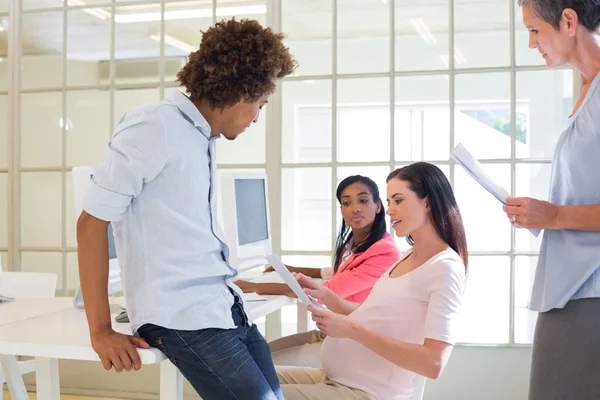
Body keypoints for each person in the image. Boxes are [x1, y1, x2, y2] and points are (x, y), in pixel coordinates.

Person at [76, 18, 296, 400]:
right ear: (240, 91)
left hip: (223, 307)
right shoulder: (154, 127)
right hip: (182, 316)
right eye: (259, 105)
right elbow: (91, 224)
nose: (258, 118)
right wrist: (101, 330)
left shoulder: (201, 137)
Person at [276, 162, 468, 400]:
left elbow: (433, 363)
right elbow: (370, 315)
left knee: (247, 392)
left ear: (427, 202)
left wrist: (351, 330)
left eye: (398, 200)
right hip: (336, 379)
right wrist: (327, 296)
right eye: (388, 202)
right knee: (246, 378)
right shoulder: (408, 256)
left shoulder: (444, 268)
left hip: (367, 393)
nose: (389, 211)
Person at [504, 2, 600, 399]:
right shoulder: (585, 92)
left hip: (589, 289)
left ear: (568, 20)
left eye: (534, 30)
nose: (530, 43)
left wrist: (555, 214)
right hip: (570, 287)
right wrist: (543, 215)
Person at [236, 175, 399, 367]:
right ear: (341, 209)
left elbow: (327, 293)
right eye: (347, 202)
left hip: (353, 343)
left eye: (363, 200)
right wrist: (293, 269)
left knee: (256, 365)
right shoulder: (356, 243)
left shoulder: (383, 250)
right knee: (257, 354)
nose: (355, 208)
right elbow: (338, 274)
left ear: (378, 206)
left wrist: (255, 287)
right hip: (333, 331)